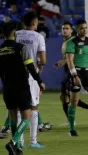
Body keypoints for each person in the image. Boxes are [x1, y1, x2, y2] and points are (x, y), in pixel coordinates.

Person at [0, 22, 46, 155]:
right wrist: (39, 81)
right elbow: (31, 67)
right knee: (26, 117)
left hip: (7, 89)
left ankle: (18, 149)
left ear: (3, 34)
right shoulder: (21, 48)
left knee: (13, 118)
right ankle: (14, 142)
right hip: (21, 87)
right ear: (14, 32)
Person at [15, 11, 48, 148]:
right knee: (33, 106)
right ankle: (33, 141)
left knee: (17, 109)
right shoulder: (38, 37)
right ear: (35, 23)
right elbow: (42, 60)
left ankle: (19, 141)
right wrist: (39, 72)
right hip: (31, 75)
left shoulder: (16, 34)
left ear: (23, 23)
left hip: (15, 74)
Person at [53, 22, 88, 125]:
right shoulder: (66, 42)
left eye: (67, 28)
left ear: (71, 30)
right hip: (68, 71)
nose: (65, 30)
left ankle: (73, 119)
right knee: (65, 96)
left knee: (69, 97)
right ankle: (71, 119)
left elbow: (74, 57)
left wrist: (62, 61)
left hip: (74, 71)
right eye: (63, 28)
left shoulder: (73, 41)